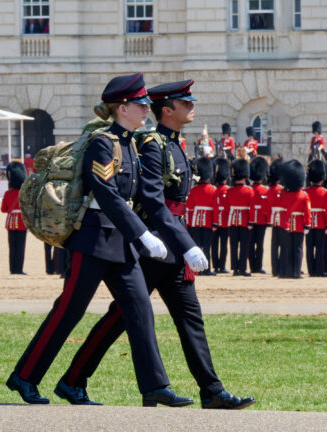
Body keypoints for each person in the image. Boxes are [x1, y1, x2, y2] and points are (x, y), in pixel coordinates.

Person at [57, 79, 253, 409]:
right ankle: (73, 379)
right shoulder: (151, 143)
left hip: (173, 246)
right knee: (119, 318)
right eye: (186, 103)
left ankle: (212, 390)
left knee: (190, 319)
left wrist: (183, 245)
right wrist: (183, 243)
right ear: (168, 110)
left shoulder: (174, 143)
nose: (193, 107)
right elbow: (152, 199)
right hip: (152, 248)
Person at [8, 73, 189, 407]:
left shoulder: (130, 143)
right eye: (140, 105)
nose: (145, 110)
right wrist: (144, 233)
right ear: (122, 108)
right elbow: (107, 195)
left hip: (121, 243)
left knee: (139, 310)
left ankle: (154, 387)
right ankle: (25, 376)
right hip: (93, 238)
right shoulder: (102, 143)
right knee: (68, 312)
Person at [275, 160, 311, 278]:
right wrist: (307, 225)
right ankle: (296, 272)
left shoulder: (282, 193)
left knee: (286, 249)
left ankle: (285, 271)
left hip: (285, 223)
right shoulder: (304, 195)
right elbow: (307, 212)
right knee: (298, 249)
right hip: (299, 224)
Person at [186, 158, 217, 276]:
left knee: (196, 246)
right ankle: (206, 269)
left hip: (195, 222)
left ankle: (195, 269)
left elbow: (189, 208)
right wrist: (215, 223)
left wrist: (189, 223)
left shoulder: (193, 190)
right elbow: (216, 209)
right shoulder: (213, 190)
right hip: (208, 222)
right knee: (207, 246)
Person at [226, 159, 254, 276]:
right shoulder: (249, 191)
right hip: (244, 221)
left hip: (232, 220)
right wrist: (251, 222)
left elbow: (227, 208)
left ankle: (235, 269)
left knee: (233, 245)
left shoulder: (230, 191)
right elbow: (252, 208)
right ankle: (242, 268)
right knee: (243, 245)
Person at [2, 162, 28, 274]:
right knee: (20, 247)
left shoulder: (8, 193)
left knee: (12, 247)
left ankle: (12, 269)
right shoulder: (25, 193)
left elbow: (3, 209)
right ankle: (19, 269)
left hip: (11, 222)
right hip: (22, 222)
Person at [305, 160, 327, 277]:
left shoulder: (305, 192)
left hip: (307, 223)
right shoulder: (325, 192)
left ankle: (311, 270)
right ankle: (319, 270)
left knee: (309, 248)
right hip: (320, 223)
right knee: (320, 248)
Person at [247, 157, 269, 274]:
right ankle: (258, 266)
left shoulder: (249, 189)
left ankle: (252, 266)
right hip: (261, 220)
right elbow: (266, 208)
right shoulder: (265, 190)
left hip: (249, 219)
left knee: (250, 243)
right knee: (259, 244)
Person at [212, 158, 231, 274]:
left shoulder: (213, 189)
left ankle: (216, 266)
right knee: (223, 245)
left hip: (213, 220)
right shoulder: (228, 190)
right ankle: (222, 266)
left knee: (214, 245)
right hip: (224, 220)